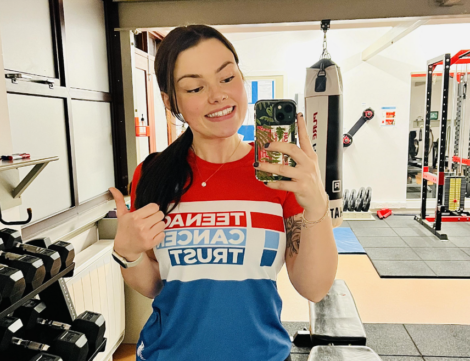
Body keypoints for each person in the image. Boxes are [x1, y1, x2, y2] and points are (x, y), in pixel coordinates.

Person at [109, 25, 338, 361]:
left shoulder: (280, 174)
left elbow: (314, 288)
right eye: (195, 87)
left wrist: (317, 202)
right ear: (170, 100)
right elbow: (157, 285)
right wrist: (125, 253)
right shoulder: (154, 174)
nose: (217, 95)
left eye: (227, 77)